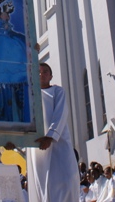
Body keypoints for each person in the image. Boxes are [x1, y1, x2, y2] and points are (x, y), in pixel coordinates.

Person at [27, 62, 78, 201]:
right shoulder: (29, 94)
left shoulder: (57, 91)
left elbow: (60, 114)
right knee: (42, 182)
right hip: (37, 145)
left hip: (57, 142)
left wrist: (50, 136)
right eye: (38, 71)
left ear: (50, 76)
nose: (41, 74)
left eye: (45, 72)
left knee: (65, 180)